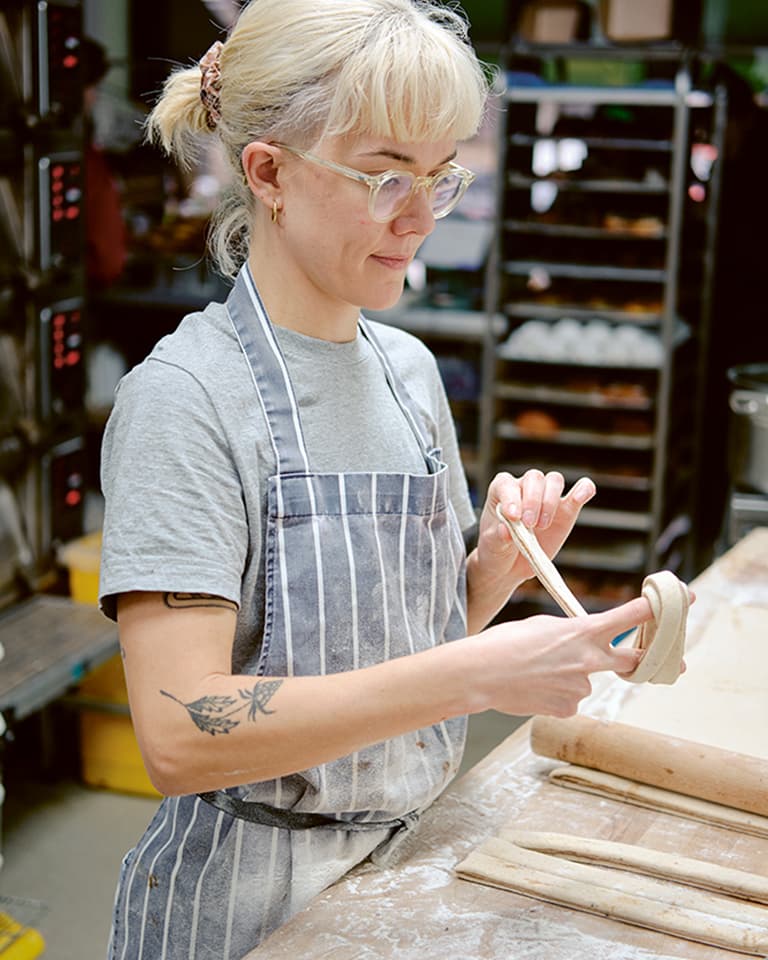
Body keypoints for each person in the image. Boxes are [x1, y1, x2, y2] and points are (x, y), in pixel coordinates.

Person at [99, 2, 656, 957]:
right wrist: (474, 676)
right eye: (385, 175)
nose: (419, 219)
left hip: (398, 866)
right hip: (249, 903)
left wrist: (484, 582)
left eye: (440, 176)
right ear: (268, 172)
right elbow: (179, 733)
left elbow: (387, 657)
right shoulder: (187, 400)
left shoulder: (405, 372)